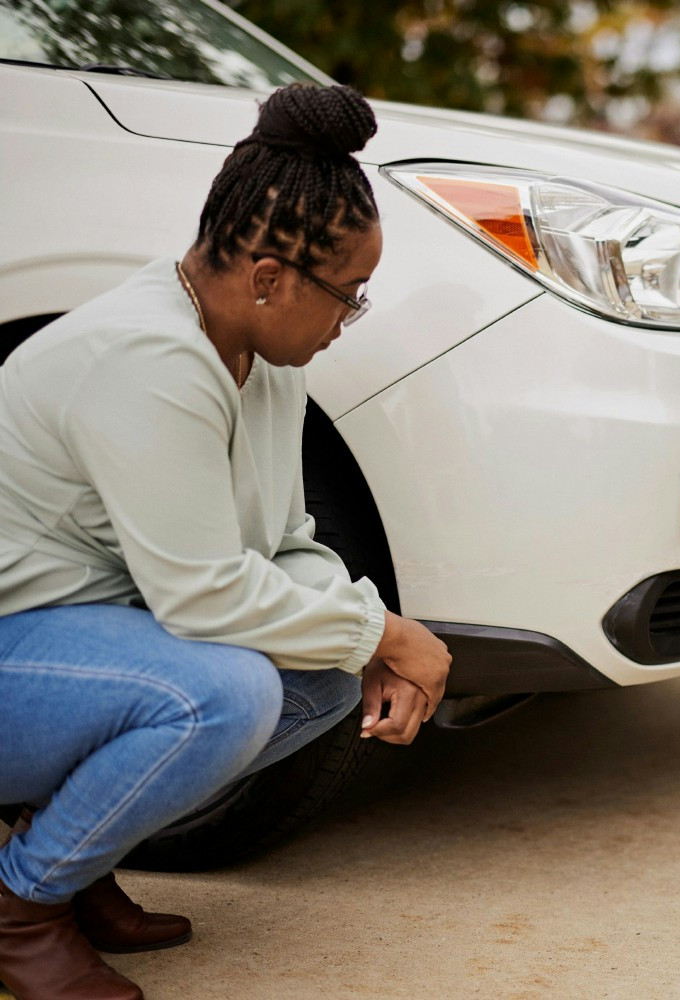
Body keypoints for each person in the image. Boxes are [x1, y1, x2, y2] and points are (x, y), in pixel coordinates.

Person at [0, 83, 452, 1000]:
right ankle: (21, 906)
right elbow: (202, 594)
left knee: (319, 678)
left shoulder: (258, 358)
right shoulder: (148, 358)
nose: (346, 320)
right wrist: (390, 637)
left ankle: (71, 862)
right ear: (268, 276)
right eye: (348, 297)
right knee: (227, 692)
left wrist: (359, 633)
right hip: (19, 651)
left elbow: (287, 541)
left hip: (72, 650)